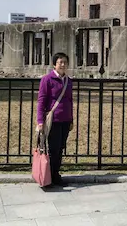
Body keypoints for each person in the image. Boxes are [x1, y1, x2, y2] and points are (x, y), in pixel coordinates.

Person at [37, 52, 74, 186]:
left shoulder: (68, 81)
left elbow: (70, 100)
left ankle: (54, 173)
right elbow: (41, 101)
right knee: (53, 148)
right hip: (54, 120)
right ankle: (52, 176)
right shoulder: (47, 79)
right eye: (60, 62)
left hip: (65, 119)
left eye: (65, 62)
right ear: (54, 64)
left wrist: (71, 119)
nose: (63, 65)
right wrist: (40, 121)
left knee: (60, 149)